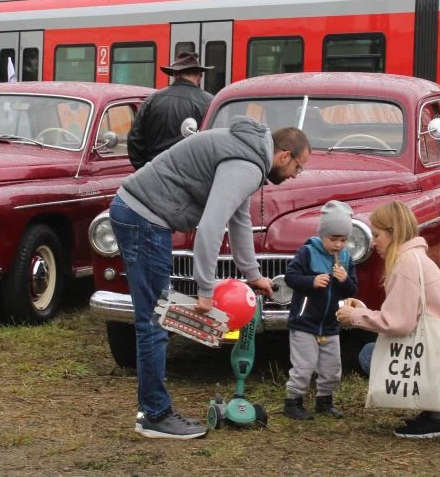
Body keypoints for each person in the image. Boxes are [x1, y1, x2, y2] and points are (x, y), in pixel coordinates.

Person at [109, 118, 310, 440]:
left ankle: (154, 412)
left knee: (154, 320)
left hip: (140, 214)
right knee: (155, 322)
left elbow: (239, 220)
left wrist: (253, 274)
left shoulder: (248, 157)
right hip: (144, 219)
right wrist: (205, 288)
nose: (295, 176)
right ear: (284, 155)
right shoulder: (246, 164)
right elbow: (212, 225)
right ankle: (155, 416)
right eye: (299, 168)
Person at [336, 201, 440, 440]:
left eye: (376, 235)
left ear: (393, 233)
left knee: (368, 354)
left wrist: (354, 316)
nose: (374, 242)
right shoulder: (418, 259)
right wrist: (365, 311)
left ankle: (439, 415)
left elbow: (399, 323)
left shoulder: (405, 264)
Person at [282, 200, 359, 421]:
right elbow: (291, 278)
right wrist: (311, 281)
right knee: (304, 366)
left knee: (332, 368)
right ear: (322, 234)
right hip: (304, 322)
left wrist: (344, 281)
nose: (338, 245)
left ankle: (325, 401)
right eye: (333, 239)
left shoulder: (346, 259)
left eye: (343, 240)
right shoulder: (307, 252)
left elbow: (351, 289)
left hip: (330, 324)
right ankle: (293, 401)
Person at [127, 51, 214, 170]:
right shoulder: (209, 102)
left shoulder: (152, 100)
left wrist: (145, 170)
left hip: (155, 174)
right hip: (192, 177)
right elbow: (214, 144)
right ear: (199, 77)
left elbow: (134, 140)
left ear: (175, 75)